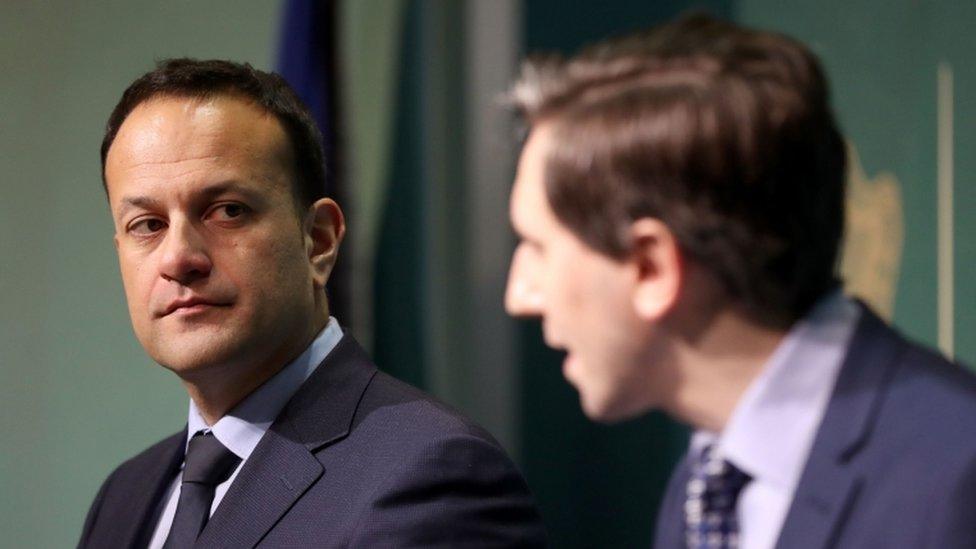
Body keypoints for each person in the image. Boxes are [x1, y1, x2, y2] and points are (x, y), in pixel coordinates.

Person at [505, 13, 976, 549]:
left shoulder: (956, 477)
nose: (520, 294)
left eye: (539, 247)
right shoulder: (706, 484)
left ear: (652, 267)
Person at [78, 58, 546, 548]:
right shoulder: (124, 497)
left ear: (318, 240)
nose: (179, 257)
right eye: (147, 225)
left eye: (227, 211)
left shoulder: (434, 477)